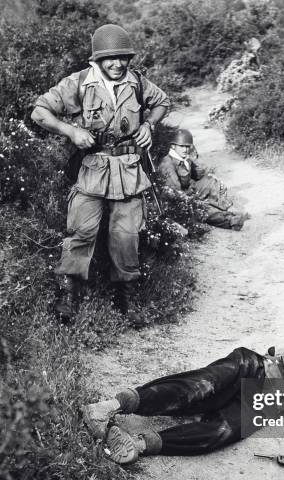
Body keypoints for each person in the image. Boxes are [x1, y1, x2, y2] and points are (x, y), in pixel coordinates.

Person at [31, 24, 170, 326]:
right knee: (81, 231)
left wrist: (149, 125)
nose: (118, 64)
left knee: (127, 236)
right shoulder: (79, 82)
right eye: (111, 58)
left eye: (123, 58)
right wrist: (71, 130)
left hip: (129, 171)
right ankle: (68, 293)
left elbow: (162, 103)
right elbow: (40, 111)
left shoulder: (137, 82)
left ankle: (126, 296)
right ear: (97, 60)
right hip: (92, 169)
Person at [81, 337, 284, 465]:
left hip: (259, 405)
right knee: (197, 388)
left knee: (222, 433)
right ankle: (112, 405)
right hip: (254, 367)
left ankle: (137, 444)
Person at [158, 128, 249, 231]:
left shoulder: (184, 158)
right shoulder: (167, 163)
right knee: (203, 209)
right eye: (182, 146)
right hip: (177, 200)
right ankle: (232, 221)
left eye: (187, 146)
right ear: (173, 146)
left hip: (188, 190)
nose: (185, 150)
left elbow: (199, 174)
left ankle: (228, 207)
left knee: (211, 181)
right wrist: (194, 199)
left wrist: (193, 159)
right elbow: (175, 191)